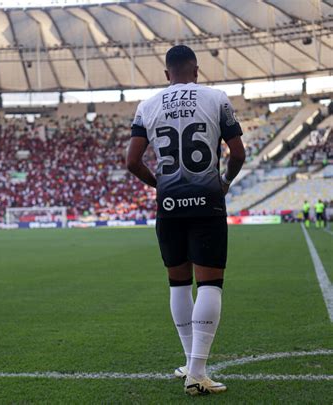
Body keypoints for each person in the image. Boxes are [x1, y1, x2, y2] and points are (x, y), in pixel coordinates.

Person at [126, 45, 245, 396]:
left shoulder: (147, 105)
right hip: (207, 202)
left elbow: (132, 161)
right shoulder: (216, 98)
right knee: (209, 284)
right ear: (196, 70)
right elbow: (237, 153)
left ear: (167, 74)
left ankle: (189, 364)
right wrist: (223, 183)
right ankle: (197, 371)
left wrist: (160, 184)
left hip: (170, 205)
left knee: (178, 284)